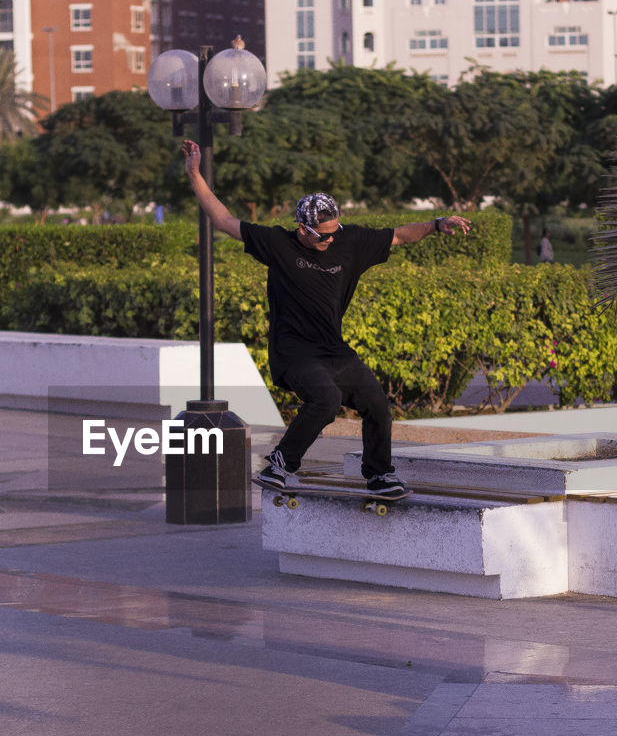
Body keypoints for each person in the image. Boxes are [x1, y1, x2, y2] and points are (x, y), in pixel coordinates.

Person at [180, 139, 470, 499]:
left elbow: (398, 235)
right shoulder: (278, 244)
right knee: (326, 399)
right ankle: (281, 464)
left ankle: (379, 475)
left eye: (335, 231)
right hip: (294, 352)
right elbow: (223, 220)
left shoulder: (349, 241)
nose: (332, 240)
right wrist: (195, 173)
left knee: (377, 404)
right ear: (303, 228)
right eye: (324, 235)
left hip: (335, 350)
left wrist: (437, 223)